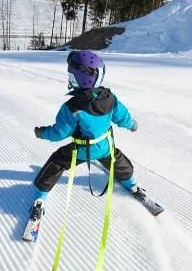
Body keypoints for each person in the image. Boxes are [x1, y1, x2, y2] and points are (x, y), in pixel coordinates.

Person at [30, 50, 145, 217]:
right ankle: (132, 184)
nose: (69, 79)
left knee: (57, 162)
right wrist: (132, 124)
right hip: (104, 146)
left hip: (80, 151)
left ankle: (40, 197)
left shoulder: (72, 107)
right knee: (117, 160)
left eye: (71, 76)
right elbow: (123, 117)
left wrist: (42, 133)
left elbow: (58, 133)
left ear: (80, 78)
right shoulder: (110, 98)